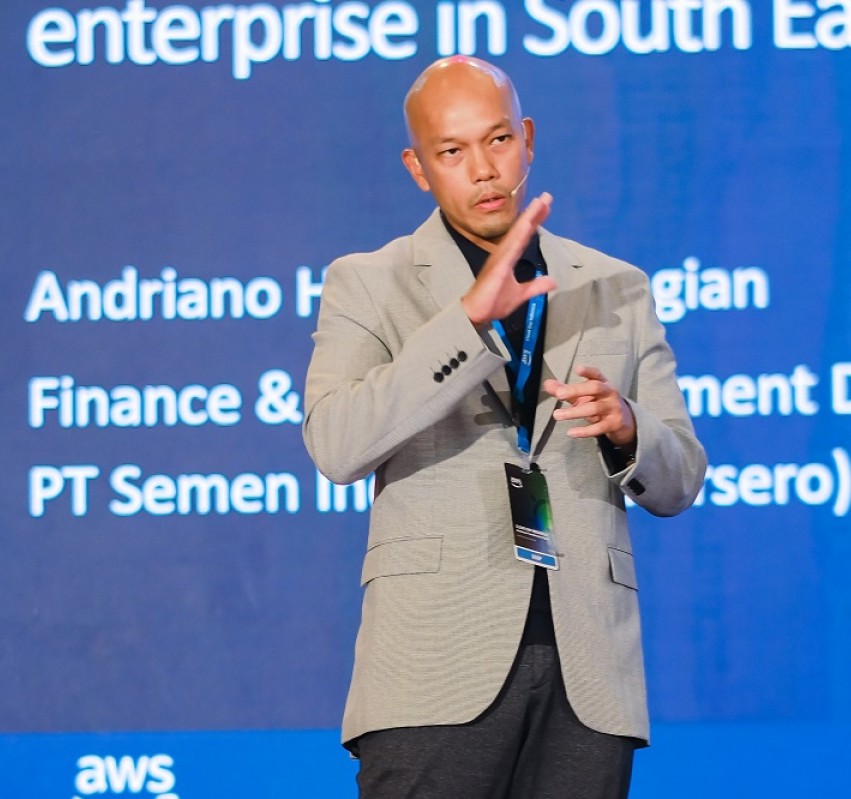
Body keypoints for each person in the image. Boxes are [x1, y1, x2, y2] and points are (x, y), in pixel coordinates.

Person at [302, 56, 706, 798]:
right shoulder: (368, 281)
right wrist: (464, 323)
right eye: (451, 152)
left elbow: (680, 475)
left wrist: (627, 428)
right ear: (418, 168)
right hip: (434, 665)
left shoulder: (615, 285)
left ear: (527, 138)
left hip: (588, 668)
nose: (483, 169)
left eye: (497, 141)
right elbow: (336, 442)